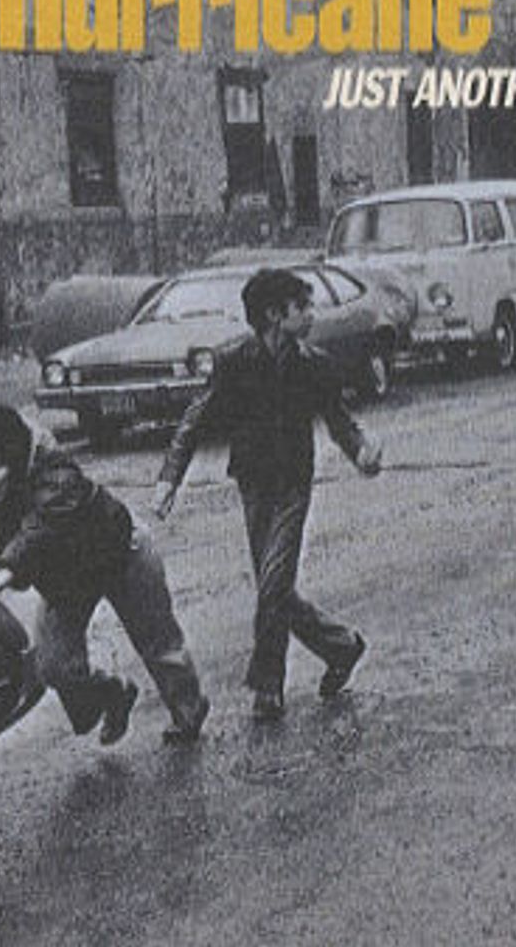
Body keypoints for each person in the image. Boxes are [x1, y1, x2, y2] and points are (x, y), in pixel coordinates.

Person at [0, 406, 210, 746]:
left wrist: (3, 572)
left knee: (158, 642)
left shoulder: (55, 471)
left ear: (15, 460)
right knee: (53, 665)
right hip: (67, 577)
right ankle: (113, 693)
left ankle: (189, 711)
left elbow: (39, 530)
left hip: (120, 553)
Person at [153, 267, 382, 721]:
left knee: (274, 584)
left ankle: (267, 687)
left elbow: (338, 420)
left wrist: (361, 451)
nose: (311, 314)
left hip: (294, 483)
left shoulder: (313, 363)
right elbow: (195, 421)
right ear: (275, 315)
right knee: (274, 589)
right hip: (254, 484)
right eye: (303, 307)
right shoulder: (233, 360)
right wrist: (168, 479)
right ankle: (341, 647)